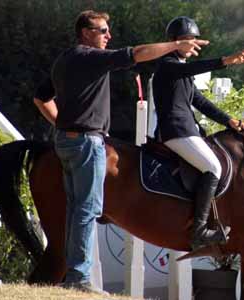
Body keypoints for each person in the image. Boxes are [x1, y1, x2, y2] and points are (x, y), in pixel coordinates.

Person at [33, 10, 209, 294]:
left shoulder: (64, 59)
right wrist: (176, 46)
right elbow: (138, 53)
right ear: (86, 32)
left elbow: (40, 98)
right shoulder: (91, 58)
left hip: (66, 141)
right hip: (87, 143)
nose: (108, 36)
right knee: (87, 210)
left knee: (76, 210)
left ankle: (73, 275)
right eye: (103, 31)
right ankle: (79, 278)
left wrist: (64, 125)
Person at [152, 16, 244, 250]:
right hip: (175, 131)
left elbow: (201, 102)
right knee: (214, 167)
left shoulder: (182, 71)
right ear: (173, 42)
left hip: (187, 130)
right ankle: (199, 232)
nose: (191, 44)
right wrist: (225, 60)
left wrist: (229, 120)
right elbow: (194, 68)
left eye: (193, 40)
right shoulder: (167, 65)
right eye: (185, 40)